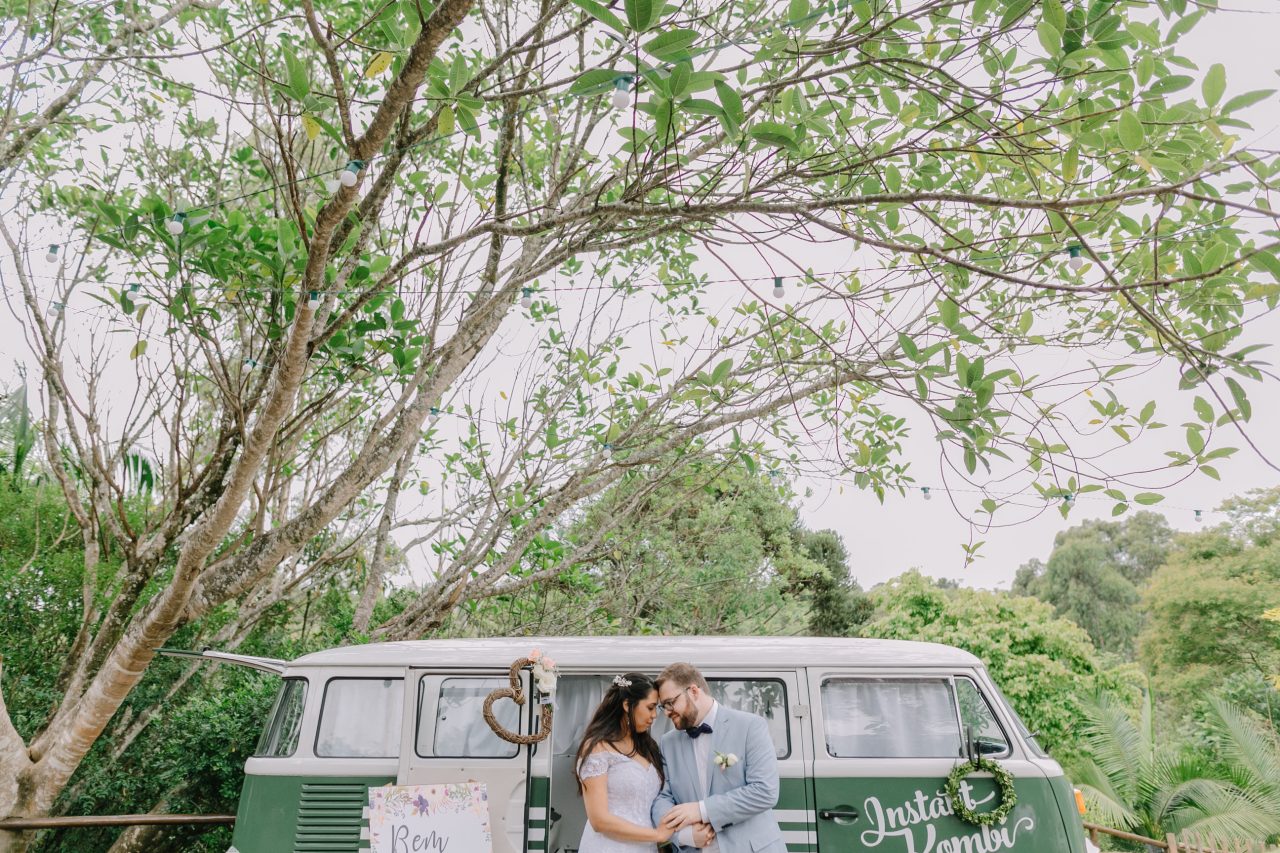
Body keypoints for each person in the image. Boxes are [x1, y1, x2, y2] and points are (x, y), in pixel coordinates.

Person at [651, 662, 786, 852]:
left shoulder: (750, 726)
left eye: (670, 703)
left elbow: (765, 791)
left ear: (694, 691)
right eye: (662, 706)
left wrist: (701, 810)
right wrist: (682, 835)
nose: (666, 712)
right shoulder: (668, 742)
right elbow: (662, 798)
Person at [576, 672, 713, 852]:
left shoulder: (648, 747)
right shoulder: (598, 748)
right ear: (627, 705)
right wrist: (657, 835)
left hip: (646, 847)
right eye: (650, 707)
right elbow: (599, 820)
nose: (656, 715)